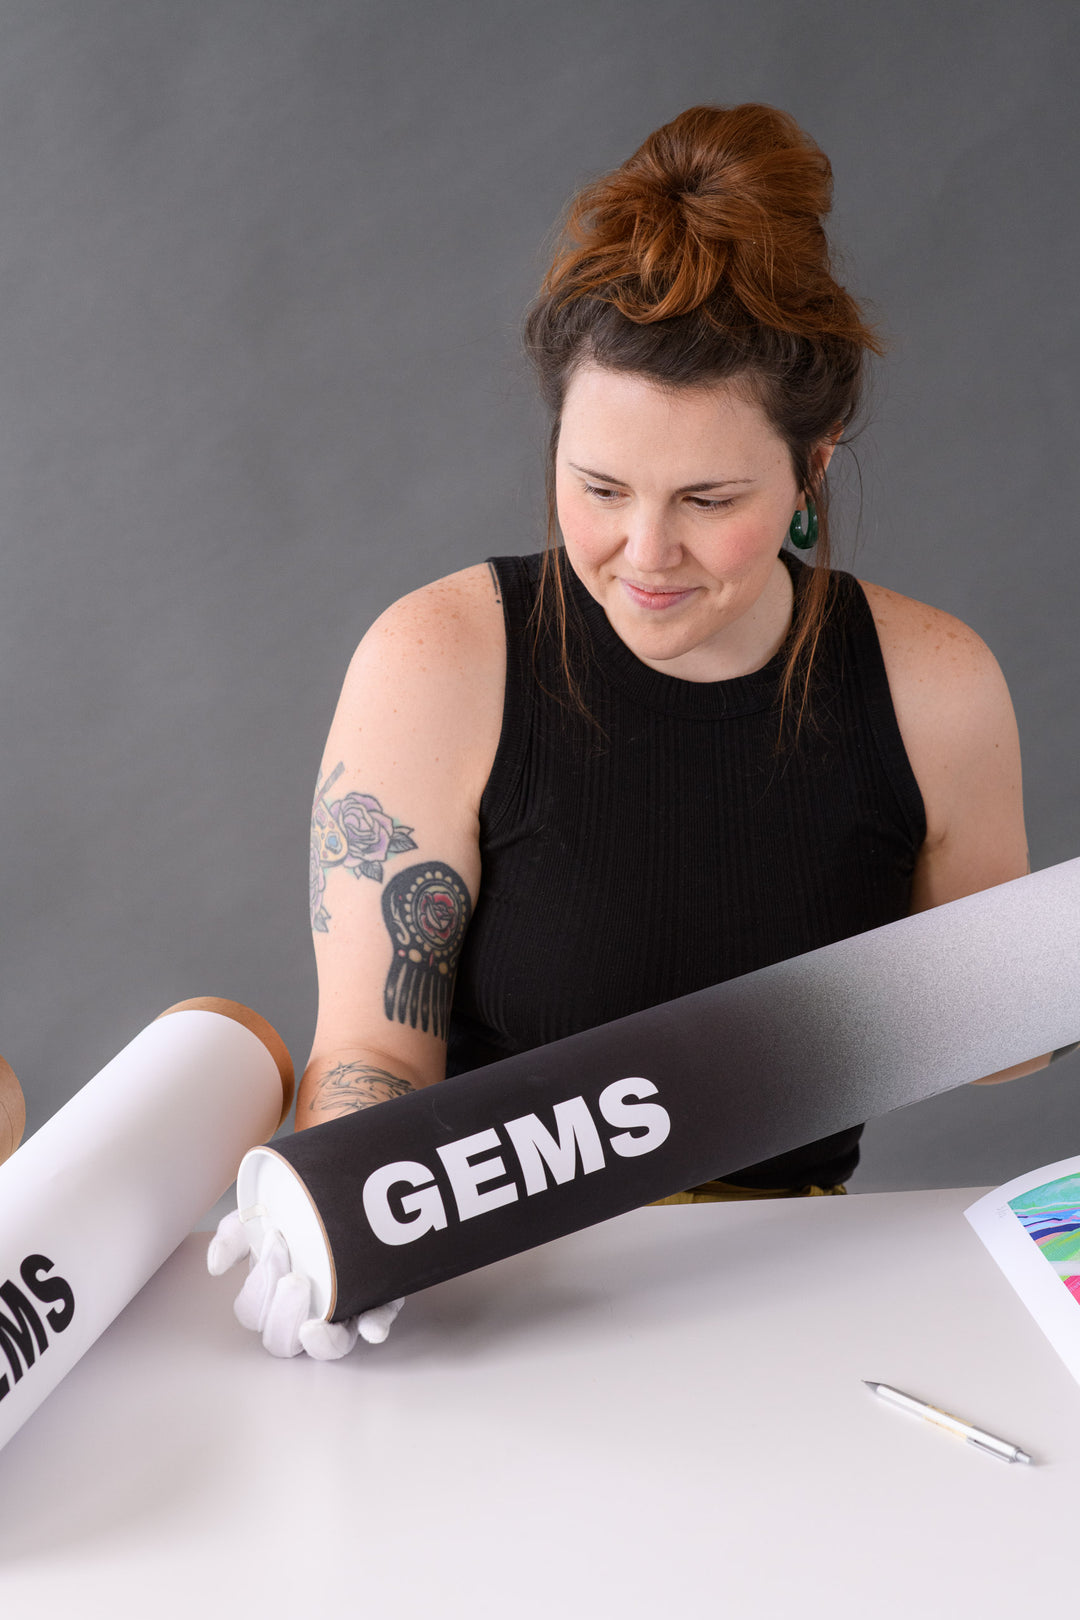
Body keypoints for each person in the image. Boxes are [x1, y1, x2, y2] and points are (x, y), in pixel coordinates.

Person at [209, 102, 1048, 1356]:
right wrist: (351, 1211)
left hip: (795, 1301)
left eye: (710, 499)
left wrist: (1027, 980)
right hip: (495, 1298)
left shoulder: (935, 685)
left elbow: (1005, 1051)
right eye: (598, 488)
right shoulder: (438, 662)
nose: (643, 556)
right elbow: (375, 1041)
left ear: (812, 470)